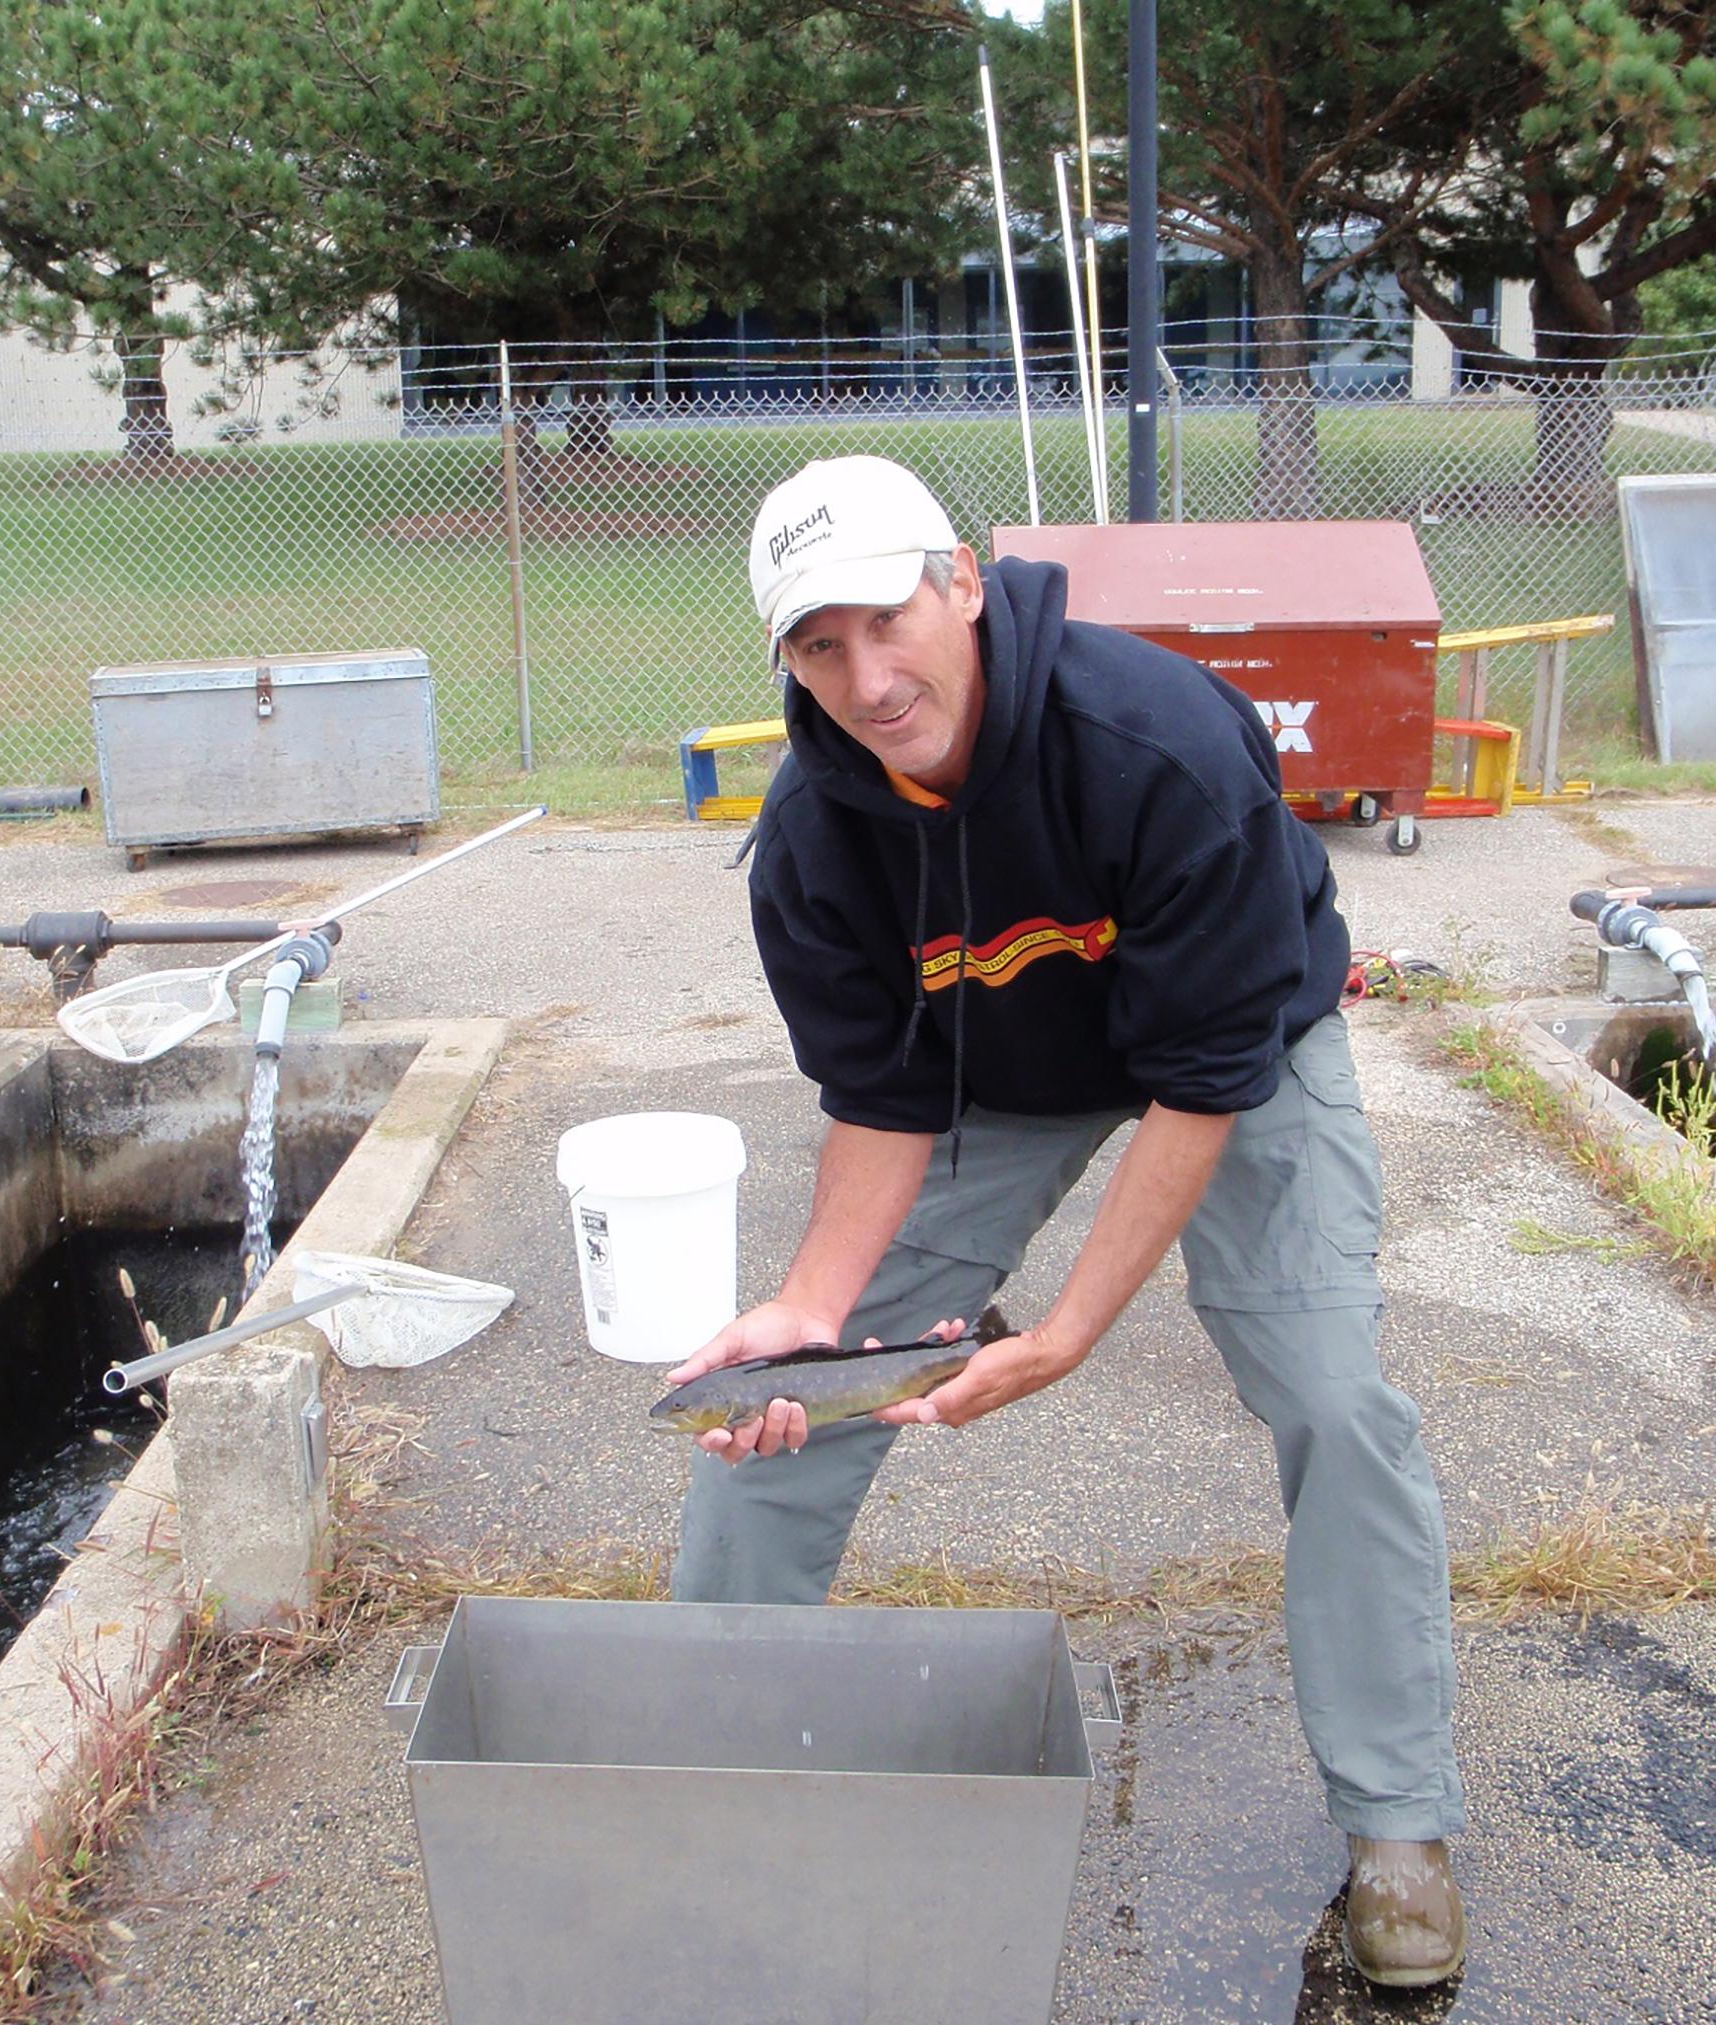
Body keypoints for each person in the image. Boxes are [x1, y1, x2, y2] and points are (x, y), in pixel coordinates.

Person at [659, 454, 1468, 1988]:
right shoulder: (817, 838)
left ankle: (1399, 1822)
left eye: (888, 620)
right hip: (995, 1082)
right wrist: (816, 1313)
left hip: (1242, 1056)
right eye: (818, 647)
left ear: (960, 578)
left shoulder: (1157, 741)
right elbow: (882, 1099)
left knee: (1336, 1400)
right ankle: (711, 1771)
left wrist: (1073, 1331)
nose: (869, 677)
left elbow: (1203, 1081)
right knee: (775, 1407)